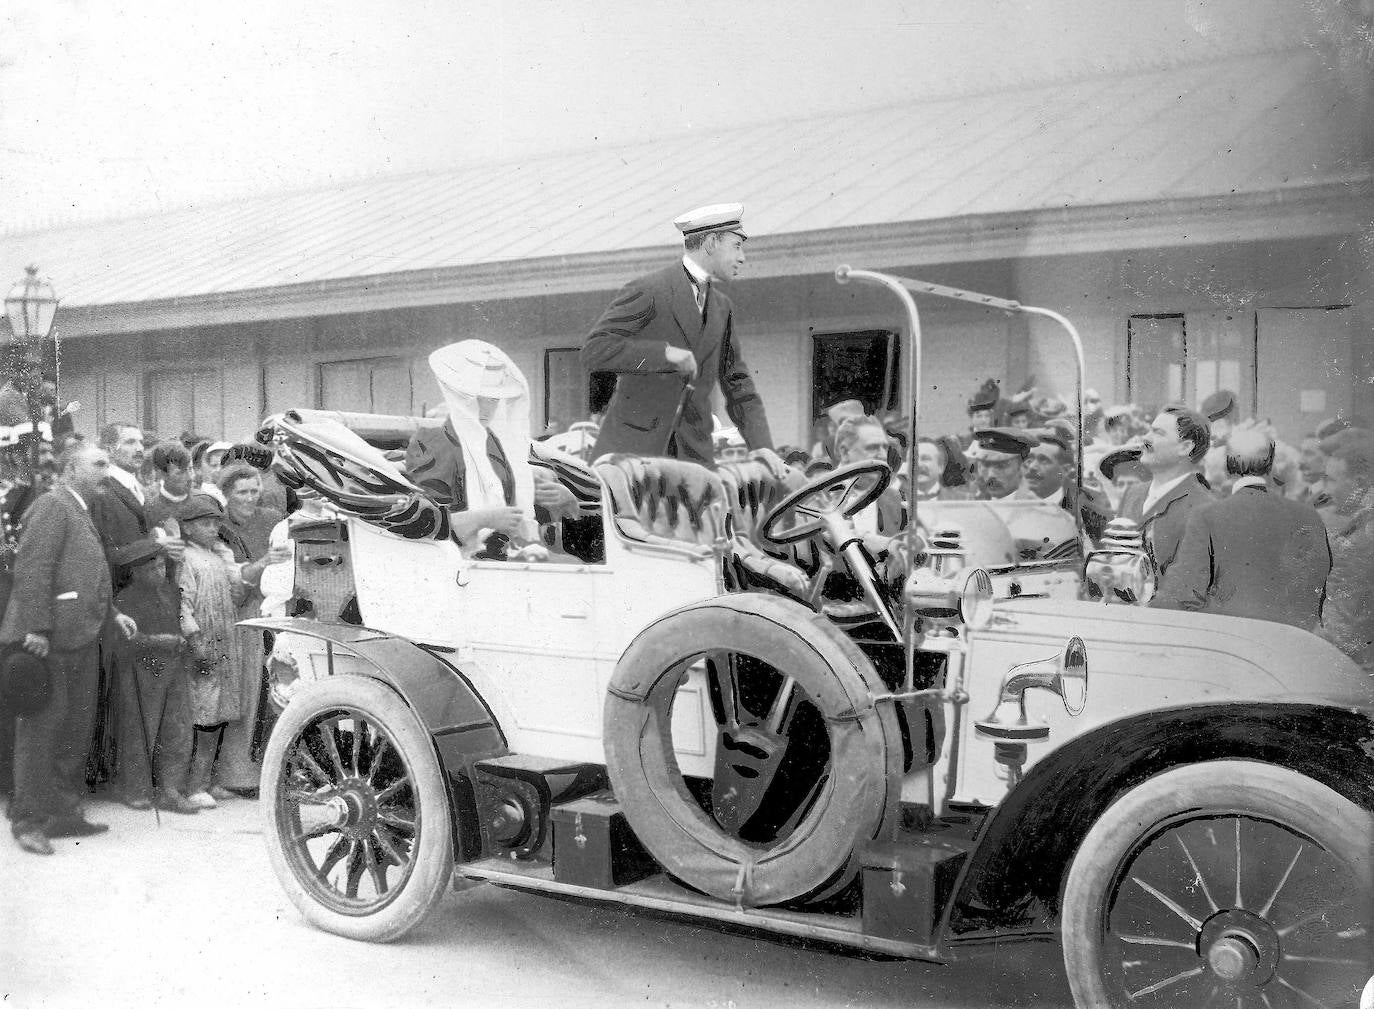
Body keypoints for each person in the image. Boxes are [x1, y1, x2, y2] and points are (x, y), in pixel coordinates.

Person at [3, 442, 138, 855]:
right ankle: (28, 820)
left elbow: (86, 569)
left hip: (82, 636)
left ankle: (61, 813)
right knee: (41, 728)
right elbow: (34, 567)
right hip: (53, 639)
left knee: (72, 729)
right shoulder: (51, 505)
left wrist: (112, 612)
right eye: (99, 463)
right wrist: (37, 628)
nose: (107, 469)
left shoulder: (79, 507)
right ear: (70, 469)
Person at [582, 203, 773, 468]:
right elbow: (595, 350)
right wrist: (664, 354)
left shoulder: (722, 307)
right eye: (736, 246)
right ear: (710, 243)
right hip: (632, 459)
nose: (742, 257)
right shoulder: (649, 290)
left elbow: (739, 385)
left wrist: (762, 447)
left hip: (694, 461)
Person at [408, 340, 578, 559]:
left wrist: (566, 500)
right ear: (459, 397)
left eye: (493, 399)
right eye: (477, 398)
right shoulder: (431, 443)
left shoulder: (493, 443)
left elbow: (512, 506)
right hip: (461, 561)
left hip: (506, 551)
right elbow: (431, 523)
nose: (487, 408)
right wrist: (485, 519)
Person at [1153, 429, 1331, 629]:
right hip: (1295, 644)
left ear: (1228, 465)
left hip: (1234, 644)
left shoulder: (1207, 517)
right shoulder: (1308, 516)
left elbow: (1182, 593)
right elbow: (1319, 588)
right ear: (1270, 464)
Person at [212, 462, 288, 795]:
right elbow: (234, 583)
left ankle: (268, 773)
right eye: (242, 492)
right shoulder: (219, 525)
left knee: (272, 694)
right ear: (227, 494)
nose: (249, 497)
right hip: (240, 616)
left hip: (272, 611)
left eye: (254, 490)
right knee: (243, 695)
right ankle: (236, 776)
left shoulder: (271, 518)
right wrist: (261, 565)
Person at [109, 540, 198, 815]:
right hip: (142, 670)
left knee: (177, 727)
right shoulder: (126, 599)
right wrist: (161, 641)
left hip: (173, 667)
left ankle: (171, 789)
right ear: (136, 572)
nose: (159, 571)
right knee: (140, 729)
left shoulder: (170, 592)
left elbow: (180, 623)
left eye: (161, 565)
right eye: (151, 567)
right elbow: (128, 640)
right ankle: (135, 788)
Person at [177, 493, 247, 809]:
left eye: (216, 523)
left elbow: (237, 591)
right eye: (205, 524)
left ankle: (211, 780)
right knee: (203, 714)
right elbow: (184, 606)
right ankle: (194, 784)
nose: (212, 529)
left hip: (224, 641)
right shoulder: (186, 561)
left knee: (220, 713)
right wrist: (195, 644)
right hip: (203, 644)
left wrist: (226, 555)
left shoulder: (219, 557)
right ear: (188, 528)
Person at [1116, 407, 1214, 579]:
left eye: (1158, 433)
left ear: (1185, 447)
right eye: (1149, 430)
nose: (1145, 438)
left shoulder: (1203, 508)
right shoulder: (1132, 493)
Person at [1318, 433, 1374, 669]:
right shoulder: (1362, 524)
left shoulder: (1363, 538)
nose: (1325, 489)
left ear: (1360, 483)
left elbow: (1344, 626)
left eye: (1331, 479)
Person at [1018, 428, 1113, 542]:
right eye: (1029, 459)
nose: (1032, 467)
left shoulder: (1089, 506)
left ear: (1066, 470)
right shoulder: (1009, 500)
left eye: (1044, 460)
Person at [968, 428, 1037, 500]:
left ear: (1024, 467)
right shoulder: (974, 502)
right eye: (986, 465)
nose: (991, 475)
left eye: (1001, 466)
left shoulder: (1035, 506)